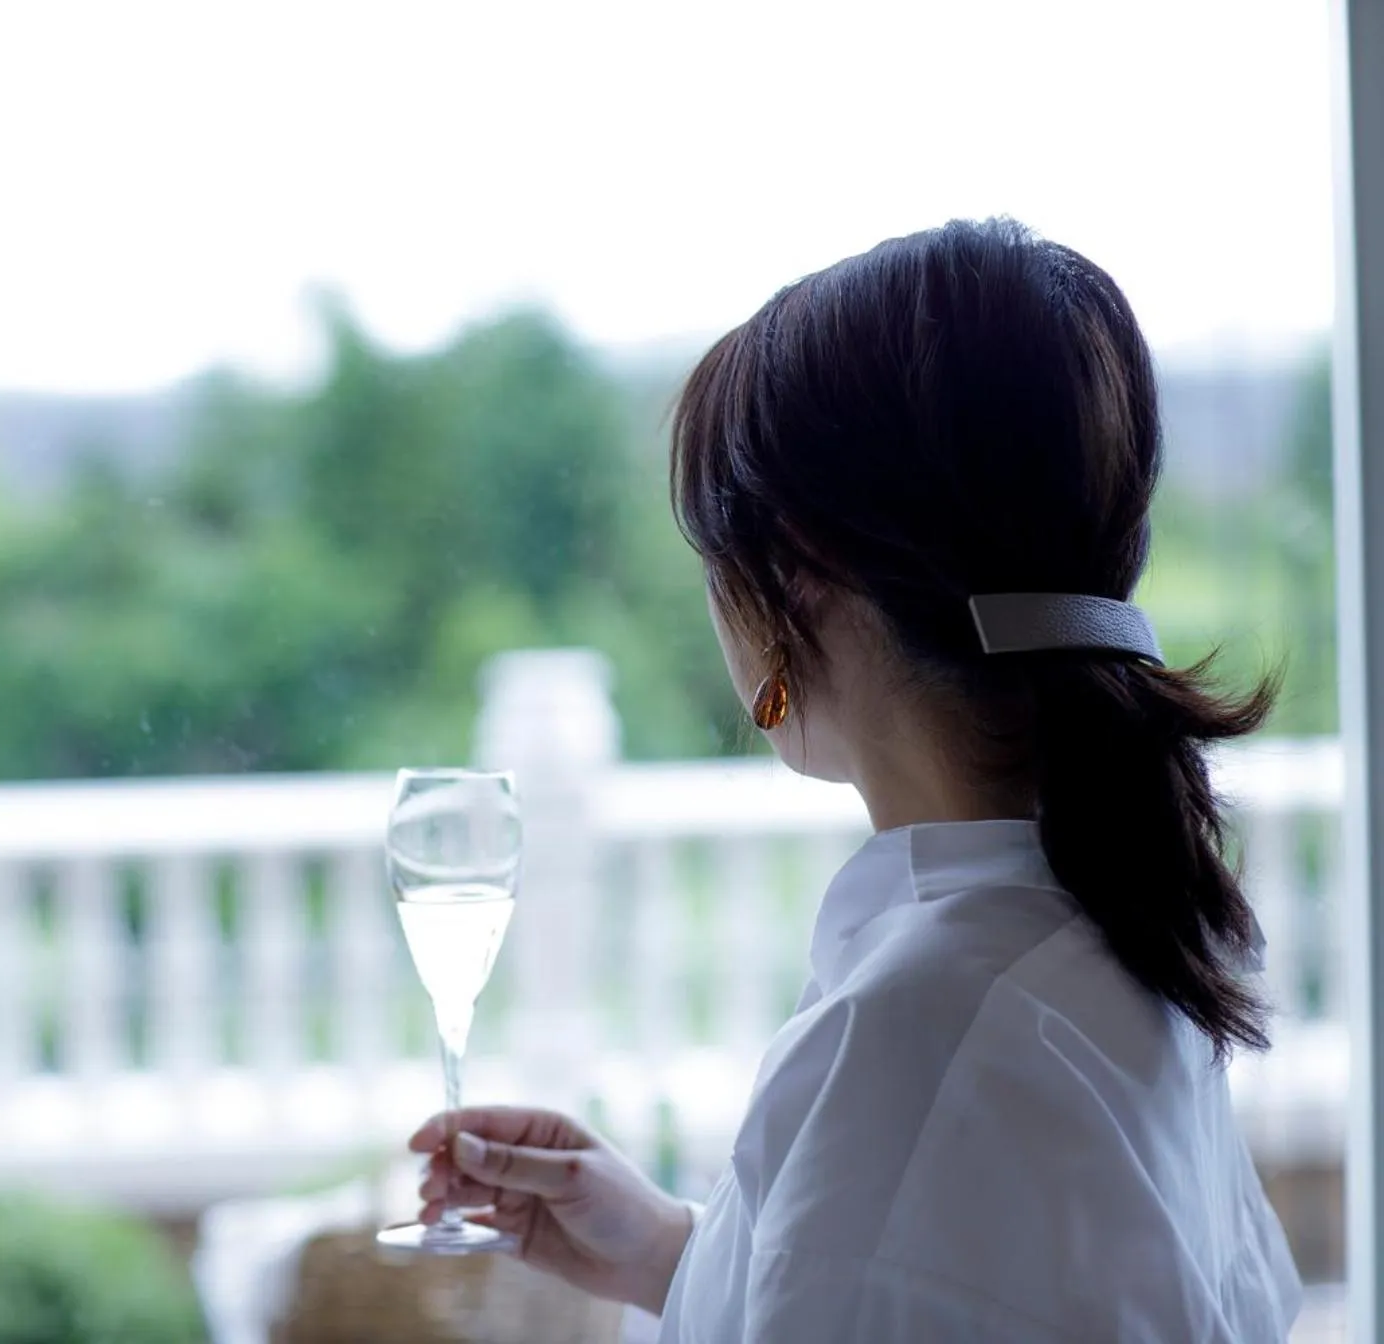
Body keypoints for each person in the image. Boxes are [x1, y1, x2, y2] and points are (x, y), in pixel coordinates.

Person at [409, 219, 1302, 1341]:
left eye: (714, 562)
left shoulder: (920, 1026)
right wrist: (672, 1253)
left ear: (798, 571)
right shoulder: (1117, 919)